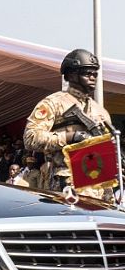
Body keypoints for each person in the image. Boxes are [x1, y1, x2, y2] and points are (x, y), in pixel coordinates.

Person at [23, 48, 111, 199]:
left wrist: (108, 192)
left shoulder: (100, 112)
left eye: (95, 74)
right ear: (71, 75)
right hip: (64, 185)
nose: (92, 77)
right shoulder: (54, 103)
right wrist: (71, 137)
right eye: (86, 73)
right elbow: (31, 138)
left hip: (96, 188)